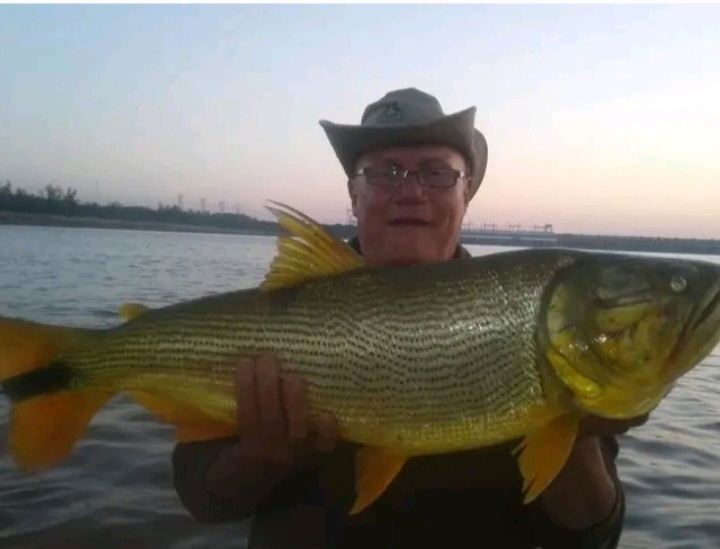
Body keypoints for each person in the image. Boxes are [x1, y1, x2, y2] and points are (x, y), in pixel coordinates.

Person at [172, 88, 647, 548]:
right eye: (385, 172)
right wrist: (262, 458)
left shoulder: (532, 316)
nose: (412, 191)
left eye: (437, 173)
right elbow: (202, 501)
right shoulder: (275, 320)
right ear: (353, 195)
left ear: (467, 195)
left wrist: (568, 428)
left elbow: (590, 537)